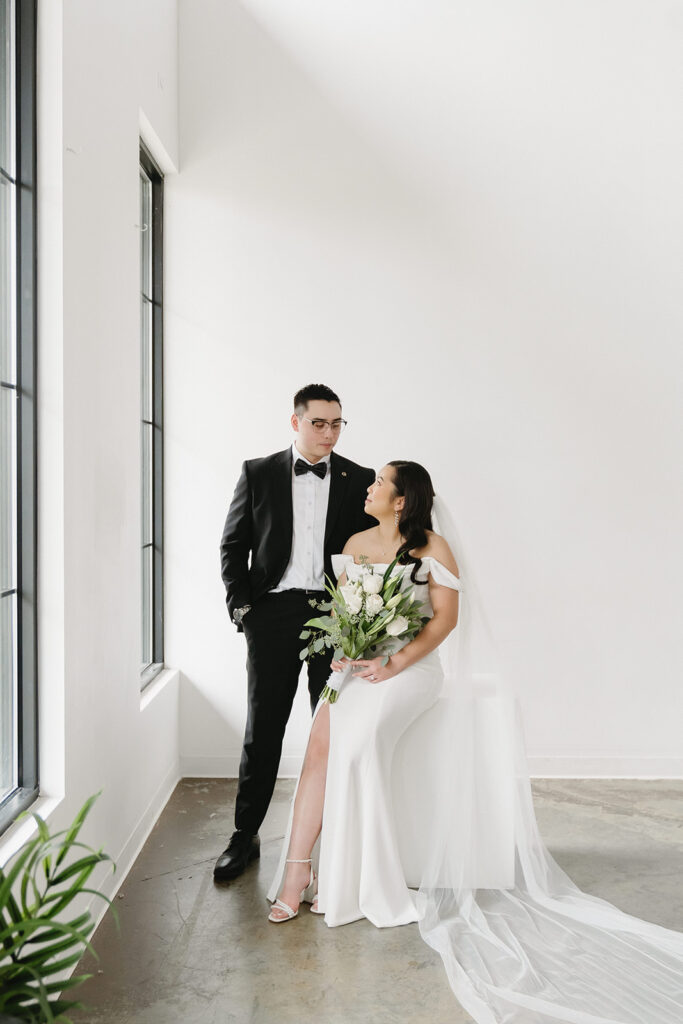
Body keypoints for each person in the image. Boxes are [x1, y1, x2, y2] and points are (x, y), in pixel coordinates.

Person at [267, 460, 683, 1024]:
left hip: (410, 671)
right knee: (321, 745)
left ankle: (351, 879)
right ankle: (299, 872)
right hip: (357, 666)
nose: (367, 487)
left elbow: (443, 622)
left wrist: (392, 663)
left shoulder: (433, 548)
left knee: (358, 748)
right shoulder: (356, 542)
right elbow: (344, 613)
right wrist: (344, 650)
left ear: (401, 499)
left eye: (379, 483)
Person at [214, 384, 374, 882]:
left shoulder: (359, 477)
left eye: (336, 424)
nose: (328, 433)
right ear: (296, 422)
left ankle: (340, 841)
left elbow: (376, 547)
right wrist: (245, 610)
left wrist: (365, 615)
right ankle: (245, 836)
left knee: (334, 729)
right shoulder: (258, 472)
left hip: (336, 616)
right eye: (319, 423)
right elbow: (232, 545)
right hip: (274, 614)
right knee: (264, 728)